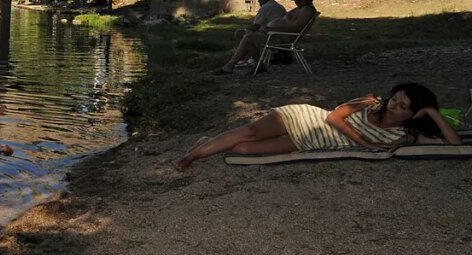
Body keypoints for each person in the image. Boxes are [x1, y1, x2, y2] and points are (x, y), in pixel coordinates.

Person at [174, 82, 461, 171]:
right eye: (396, 98)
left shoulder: (405, 134)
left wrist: (433, 114)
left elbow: (454, 146)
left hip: (310, 142)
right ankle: (192, 156)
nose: (394, 105)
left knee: (244, 148)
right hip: (305, 118)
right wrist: (366, 143)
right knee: (248, 131)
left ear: (413, 114)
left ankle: (208, 140)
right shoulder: (372, 102)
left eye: (402, 105)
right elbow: (334, 117)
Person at [215, 0, 317, 74]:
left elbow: (296, 28)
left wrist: (269, 30)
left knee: (248, 38)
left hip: (281, 37)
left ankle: (230, 66)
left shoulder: (307, 10)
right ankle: (257, 65)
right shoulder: (301, 8)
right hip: (275, 33)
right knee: (244, 35)